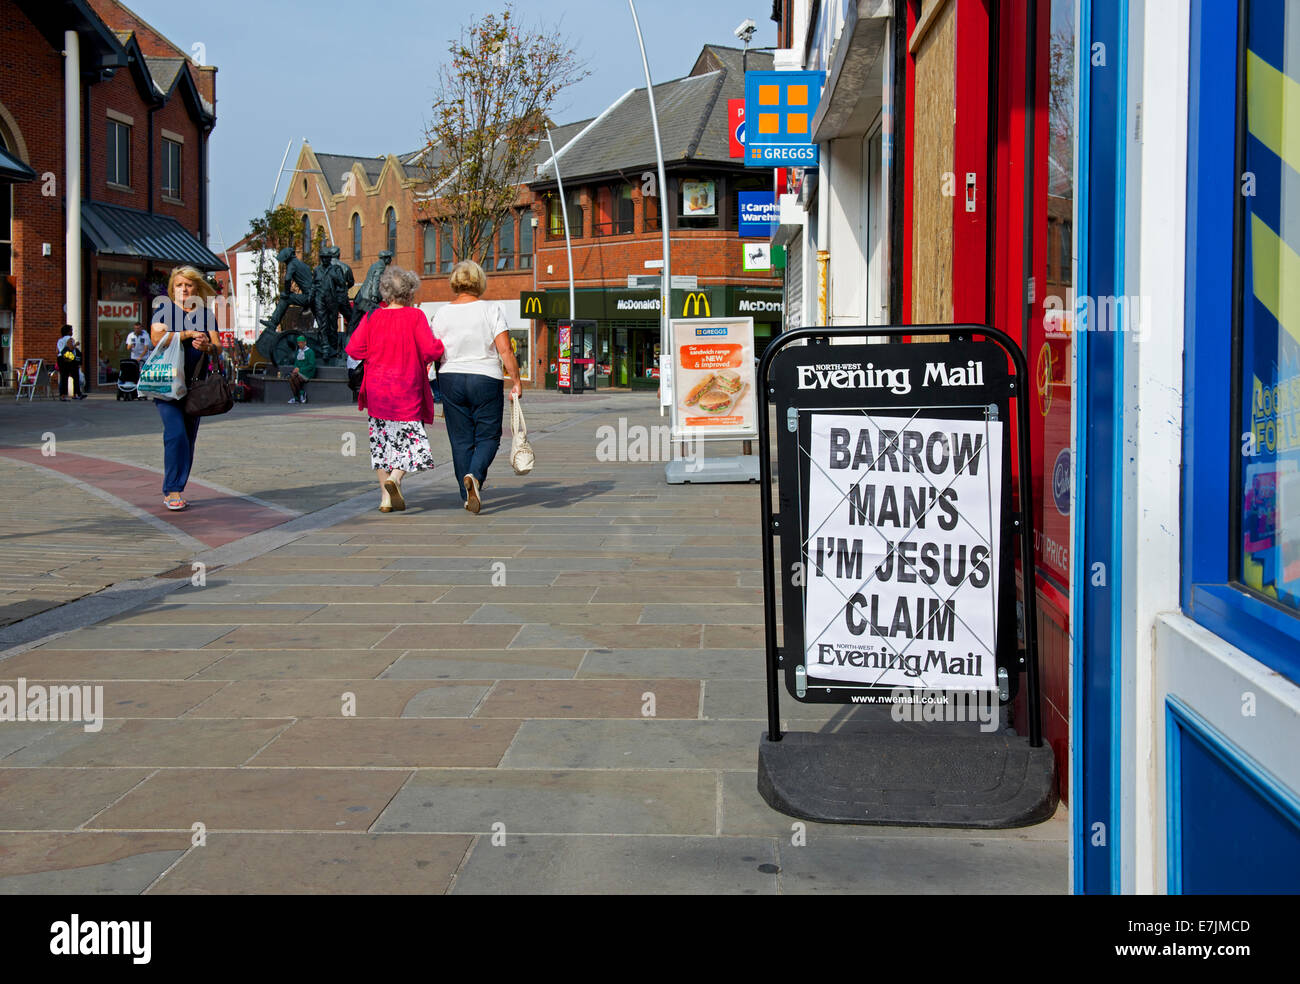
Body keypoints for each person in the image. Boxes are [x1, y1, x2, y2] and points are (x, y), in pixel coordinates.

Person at [344, 266, 444, 513]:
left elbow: (354, 349)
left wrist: (375, 353)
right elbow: (431, 350)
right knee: (412, 441)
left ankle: (385, 498)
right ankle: (396, 478)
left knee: (381, 444)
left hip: (378, 390)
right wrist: (442, 344)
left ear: (386, 291)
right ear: (409, 292)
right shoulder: (415, 317)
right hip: (406, 389)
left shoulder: (372, 317)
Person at [430, 260, 522, 515]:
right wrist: (516, 381)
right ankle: (476, 476)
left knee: (460, 439)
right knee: (489, 435)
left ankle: (465, 491)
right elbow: (505, 349)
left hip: (451, 377)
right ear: (480, 282)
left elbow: (433, 350)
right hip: (485, 378)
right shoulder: (490, 310)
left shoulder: (441, 314)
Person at [149, 266, 222, 511]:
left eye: (188, 285)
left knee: (188, 439)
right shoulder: (164, 311)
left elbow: (218, 346)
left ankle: (178, 487)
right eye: (179, 285)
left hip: (195, 386)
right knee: (175, 434)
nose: (184, 289)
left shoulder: (205, 314)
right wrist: (187, 334)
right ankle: (170, 489)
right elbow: (156, 339)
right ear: (172, 289)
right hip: (167, 383)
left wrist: (207, 347)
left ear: (195, 288)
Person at [55, 326, 85, 401]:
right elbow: (71, 348)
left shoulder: (60, 340)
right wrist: (76, 345)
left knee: (63, 377)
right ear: (68, 331)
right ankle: (76, 394)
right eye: (71, 330)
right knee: (75, 376)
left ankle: (62, 395)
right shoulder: (70, 338)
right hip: (69, 359)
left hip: (61, 358)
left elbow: (57, 351)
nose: (72, 332)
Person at [288, 335, 315, 403]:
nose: (300, 344)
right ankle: (297, 397)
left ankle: (301, 394)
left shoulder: (310, 352)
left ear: (305, 343)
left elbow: (311, 365)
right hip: (298, 372)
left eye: (301, 342)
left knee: (295, 377)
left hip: (308, 372)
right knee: (291, 379)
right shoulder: (298, 351)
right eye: (299, 343)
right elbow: (296, 363)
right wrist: (296, 368)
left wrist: (300, 370)